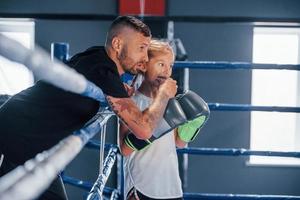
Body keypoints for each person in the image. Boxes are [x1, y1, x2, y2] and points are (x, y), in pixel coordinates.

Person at [0, 16, 177, 199]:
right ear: (117, 44)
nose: (145, 57)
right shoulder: (104, 72)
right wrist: (163, 95)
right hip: (15, 135)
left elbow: (96, 78)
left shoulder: (98, 58)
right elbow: (144, 129)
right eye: (141, 48)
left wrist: (118, 90)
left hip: (26, 137)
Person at [119, 40, 209, 200]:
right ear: (143, 65)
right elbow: (125, 149)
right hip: (141, 186)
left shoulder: (170, 101)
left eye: (170, 65)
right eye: (161, 64)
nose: (167, 71)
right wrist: (157, 126)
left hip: (171, 187)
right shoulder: (131, 102)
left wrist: (192, 125)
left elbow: (179, 143)